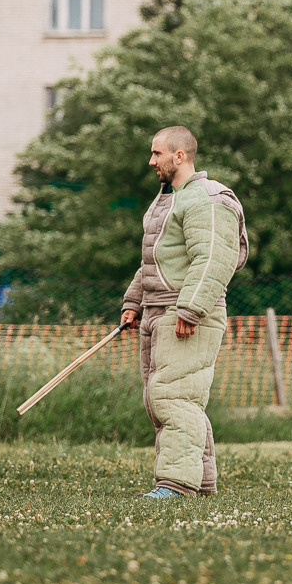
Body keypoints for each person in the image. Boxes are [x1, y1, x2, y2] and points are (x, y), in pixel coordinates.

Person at [119, 126, 247, 500]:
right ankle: (200, 481)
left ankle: (176, 484)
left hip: (187, 313)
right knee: (170, 396)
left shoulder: (207, 199)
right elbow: (157, 259)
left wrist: (191, 310)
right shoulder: (168, 200)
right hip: (160, 310)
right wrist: (133, 302)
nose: (151, 161)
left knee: (175, 398)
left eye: (157, 154)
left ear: (180, 156)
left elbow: (214, 259)